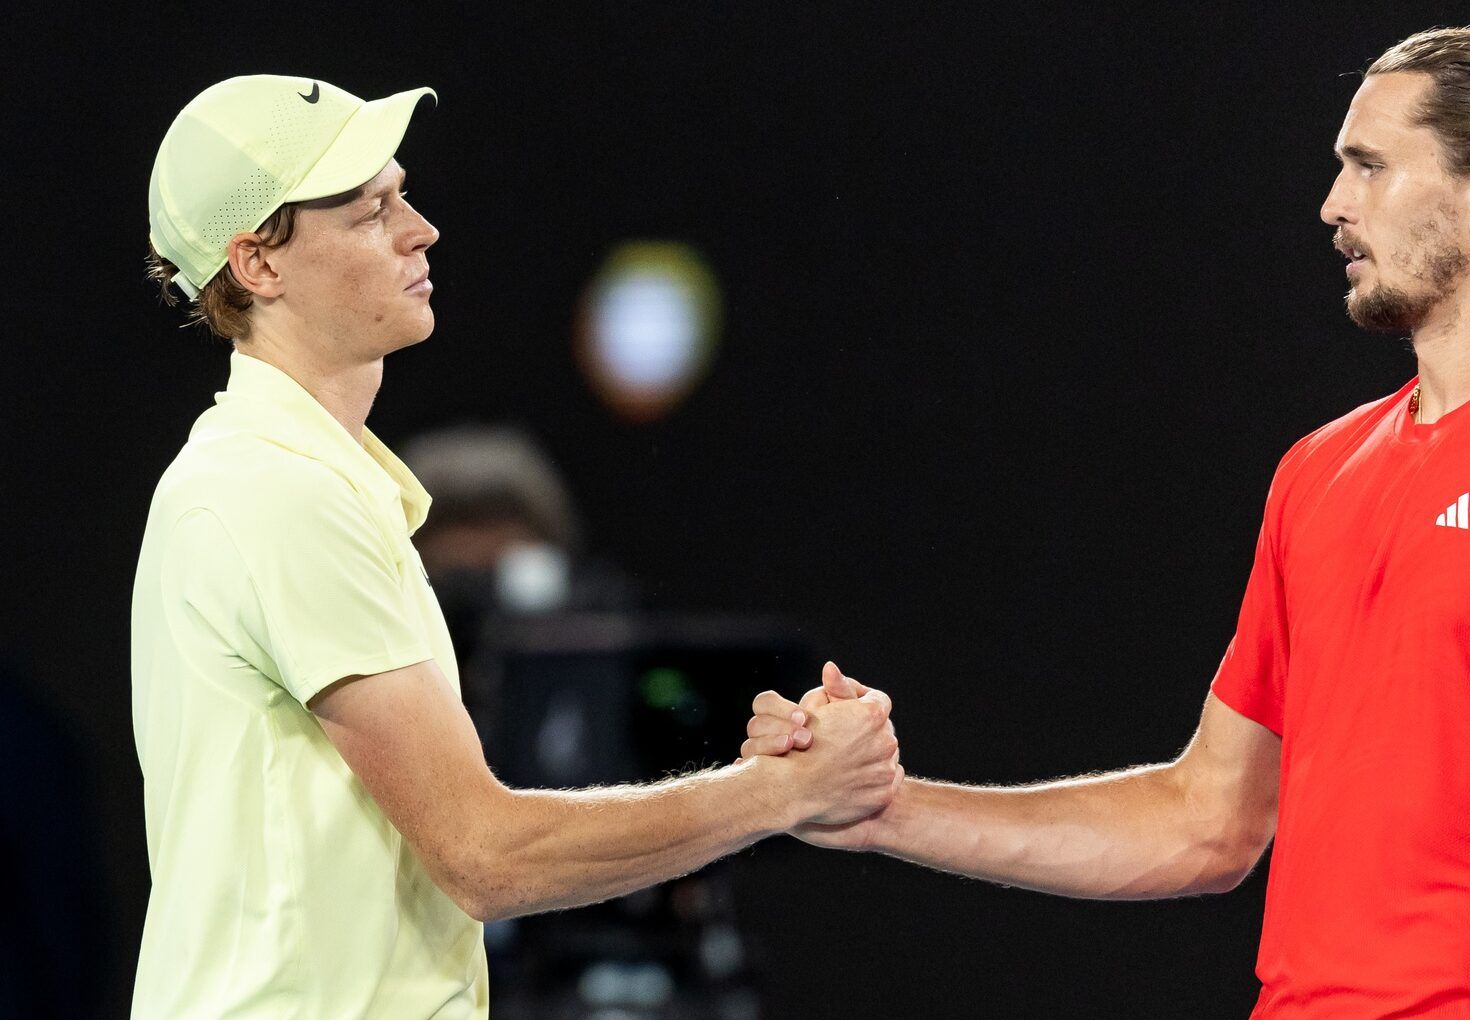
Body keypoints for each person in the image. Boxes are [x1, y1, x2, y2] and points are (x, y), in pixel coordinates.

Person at [744, 27, 1470, 1019]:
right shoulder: (1316, 473)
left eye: (1368, 167)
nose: (1332, 205)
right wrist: (878, 807)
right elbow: (1204, 824)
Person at [131, 75, 901, 1018]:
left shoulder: (295, 481)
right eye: (372, 211)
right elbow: (484, 856)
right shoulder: (278, 493)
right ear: (257, 264)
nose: (420, 230)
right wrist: (777, 795)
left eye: (403, 195)